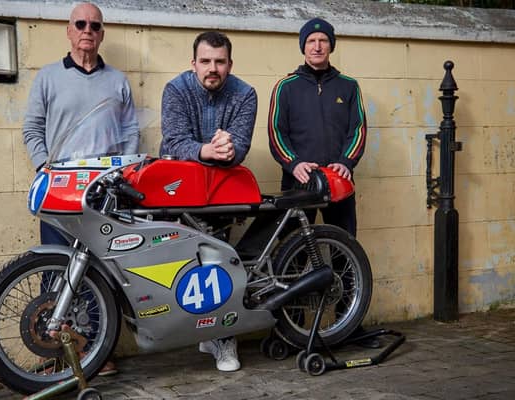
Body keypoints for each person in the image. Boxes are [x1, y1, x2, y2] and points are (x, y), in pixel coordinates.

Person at [22, 1, 140, 374]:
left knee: (99, 270)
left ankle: (93, 353)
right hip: (60, 190)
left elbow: (130, 134)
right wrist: (44, 166)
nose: (87, 30)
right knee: (57, 266)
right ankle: (58, 351)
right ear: (69, 30)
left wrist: (126, 175)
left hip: (105, 192)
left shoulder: (118, 81)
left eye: (95, 25)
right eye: (80, 24)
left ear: (101, 33)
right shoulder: (47, 77)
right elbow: (31, 128)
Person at [268, 18, 375, 346]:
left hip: (339, 184)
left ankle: (350, 326)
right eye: (311, 40)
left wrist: (346, 163)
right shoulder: (285, 87)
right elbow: (276, 132)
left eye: (323, 41)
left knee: (345, 252)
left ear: (331, 45)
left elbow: (358, 128)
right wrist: (294, 163)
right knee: (293, 256)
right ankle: (290, 329)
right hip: (299, 184)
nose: (317, 46)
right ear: (303, 46)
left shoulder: (349, 86)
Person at [159, 31, 258, 371]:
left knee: (219, 263)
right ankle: (204, 332)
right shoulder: (176, 90)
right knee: (186, 266)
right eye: (205, 61)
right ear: (193, 64)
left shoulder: (245, 94)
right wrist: (206, 150)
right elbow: (173, 142)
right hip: (179, 194)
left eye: (219, 62)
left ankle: (224, 340)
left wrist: (229, 150)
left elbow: (240, 147)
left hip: (221, 192)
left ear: (230, 64)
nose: (212, 68)